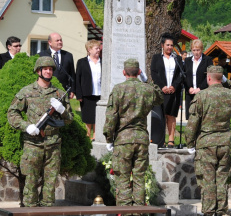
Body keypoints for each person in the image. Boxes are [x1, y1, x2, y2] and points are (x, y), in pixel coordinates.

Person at [7, 57, 73, 207]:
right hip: (33, 145)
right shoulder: (27, 92)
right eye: (45, 69)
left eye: (51, 69)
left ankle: (47, 211)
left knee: (50, 185)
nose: (48, 71)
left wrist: (62, 110)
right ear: (38, 71)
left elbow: (69, 120)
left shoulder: (58, 94)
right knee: (30, 182)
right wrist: (26, 126)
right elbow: (12, 113)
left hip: (53, 144)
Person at [103, 58, 163, 207]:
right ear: (138, 72)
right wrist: (147, 80)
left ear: (124, 72)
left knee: (122, 179)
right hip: (141, 138)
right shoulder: (147, 89)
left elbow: (111, 117)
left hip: (123, 139)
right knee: (139, 178)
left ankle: (125, 212)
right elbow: (160, 97)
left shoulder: (118, 89)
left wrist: (109, 138)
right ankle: (138, 212)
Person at [185, 65, 231, 216]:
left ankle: (209, 212)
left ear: (208, 78)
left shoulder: (201, 96)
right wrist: (227, 81)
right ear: (221, 78)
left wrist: (190, 144)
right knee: (221, 179)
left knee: (208, 180)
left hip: (206, 144)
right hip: (224, 142)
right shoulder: (230, 95)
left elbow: (192, 125)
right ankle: (222, 211)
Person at [151, 33, 183, 148]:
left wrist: (174, 86)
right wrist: (162, 86)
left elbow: (180, 74)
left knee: (171, 115)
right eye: (167, 45)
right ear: (162, 45)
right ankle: (161, 140)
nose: (170, 47)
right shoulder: (156, 58)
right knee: (161, 115)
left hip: (174, 91)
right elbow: (154, 73)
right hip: (161, 92)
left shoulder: (177, 58)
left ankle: (171, 140)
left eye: (171, 45)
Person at [75, 39, 102, 141]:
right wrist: (79, 94)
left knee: (97, 116)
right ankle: (87, 136)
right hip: (86, 94)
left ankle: (96, 136)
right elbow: (77, 79)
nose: (98, 50)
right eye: (96, 48)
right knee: (87, 116)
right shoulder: (82, 62)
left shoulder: (103, 62)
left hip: (100, 94)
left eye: (99, 48)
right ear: (89, 49)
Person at [39, 33, 76, 99]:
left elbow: (72, 74)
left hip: (64, 90)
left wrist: (72, 90)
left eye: (61, 40)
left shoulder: (68, 55)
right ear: (50, 42)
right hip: (47, 90)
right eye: (57, 40)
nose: (60, 42)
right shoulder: (42, 55)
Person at [184, 39, 213, 120]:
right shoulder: (187, 61)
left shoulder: (207, 60)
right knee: (191, 117)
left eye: (198, 50)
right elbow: (184, 76)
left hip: (203, 92)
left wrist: (200, 88)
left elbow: (209, 76)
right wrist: (189, 88)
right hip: (190, 93)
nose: (196, 52)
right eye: (194, 50)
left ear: (202, 49)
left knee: (202, 116)